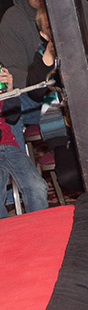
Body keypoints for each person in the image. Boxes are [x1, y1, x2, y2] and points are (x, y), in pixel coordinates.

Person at [0, 0, 88, 146]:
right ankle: (13, 157)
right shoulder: (12, 20)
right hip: (35, 96)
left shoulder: (79, 6)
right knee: (8, 106)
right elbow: (12, 71)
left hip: (83, 89)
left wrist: (74, 85)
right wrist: (48, 87)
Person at [26, 7, 88, 193]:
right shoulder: (42, 60)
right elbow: (36, 93)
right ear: (44, 35)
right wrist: (49, 56)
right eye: (51, 29)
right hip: (63, 135)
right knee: (69, 176)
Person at [0, 64, 48, 218]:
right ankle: (5, 232)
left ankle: (40, 228)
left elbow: (12, 117)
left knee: (37, 186)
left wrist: (10, 91)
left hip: (9, 145)